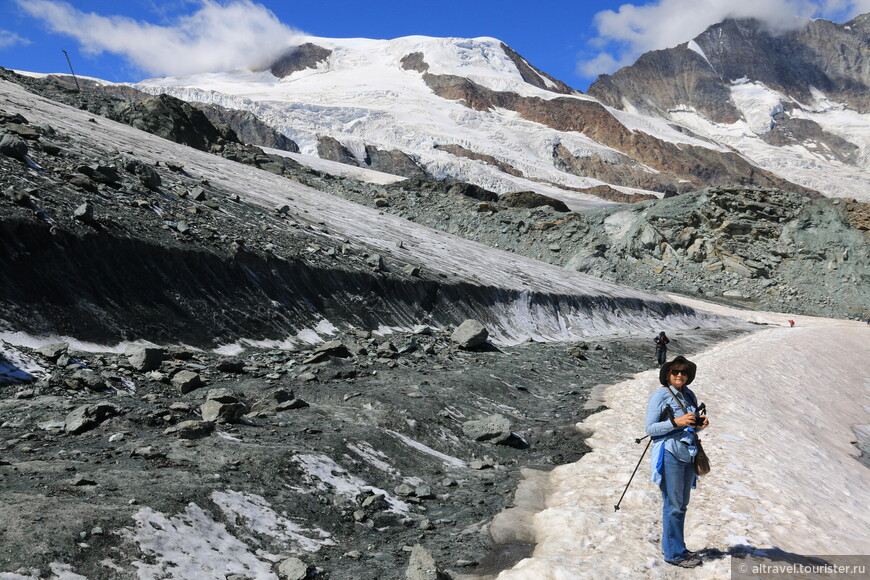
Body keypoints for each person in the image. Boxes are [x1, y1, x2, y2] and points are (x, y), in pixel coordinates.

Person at [645, 355, 709, 568]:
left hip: (687, 453)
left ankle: (675, 546)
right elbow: (650, 429)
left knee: (681, 504)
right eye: (675, 372)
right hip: (670, 454)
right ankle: (675, 554)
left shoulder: (689, 395)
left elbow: (690, 426)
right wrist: (675, 422)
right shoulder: (660, 395)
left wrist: (699, 424)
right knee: (673, 505)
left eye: (683, 372)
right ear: (667, 375)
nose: (680, 375)